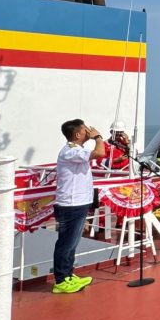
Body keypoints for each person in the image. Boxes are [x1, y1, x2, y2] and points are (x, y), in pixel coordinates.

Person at [53, 119, 105, 294]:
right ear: (77, 135)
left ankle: (68, 275)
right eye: (84, 130)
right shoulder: (70, 151)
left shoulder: (77, 150)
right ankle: (61, 280)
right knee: (66, 244)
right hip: (71, 204)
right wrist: (98, 137)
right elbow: (100, 153)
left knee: (71, 243)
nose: (88, 131)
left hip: (78, 202)